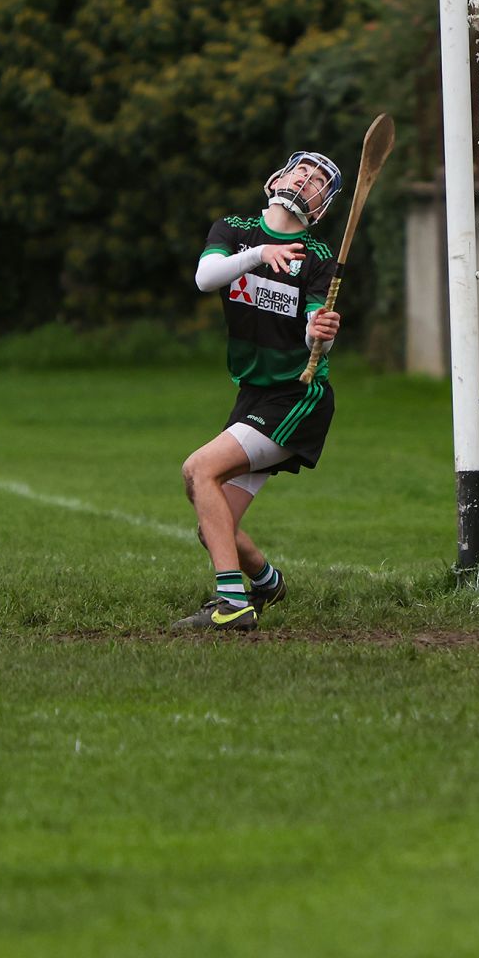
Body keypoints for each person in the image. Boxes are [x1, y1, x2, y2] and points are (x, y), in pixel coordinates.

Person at [173, 150, 343, 633]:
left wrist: (322, 332)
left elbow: (314, 334)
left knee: (199, 469)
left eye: (316, 182)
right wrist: (258, 255)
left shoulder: (319, 258)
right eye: (301, 171)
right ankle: (266, 582)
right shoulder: (234, 230)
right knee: (213, 526)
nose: (306, 181)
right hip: (252, 392)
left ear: (321, 205)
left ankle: (231, 604)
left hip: (296, 397)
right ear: (277, 178)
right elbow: (206, 278)